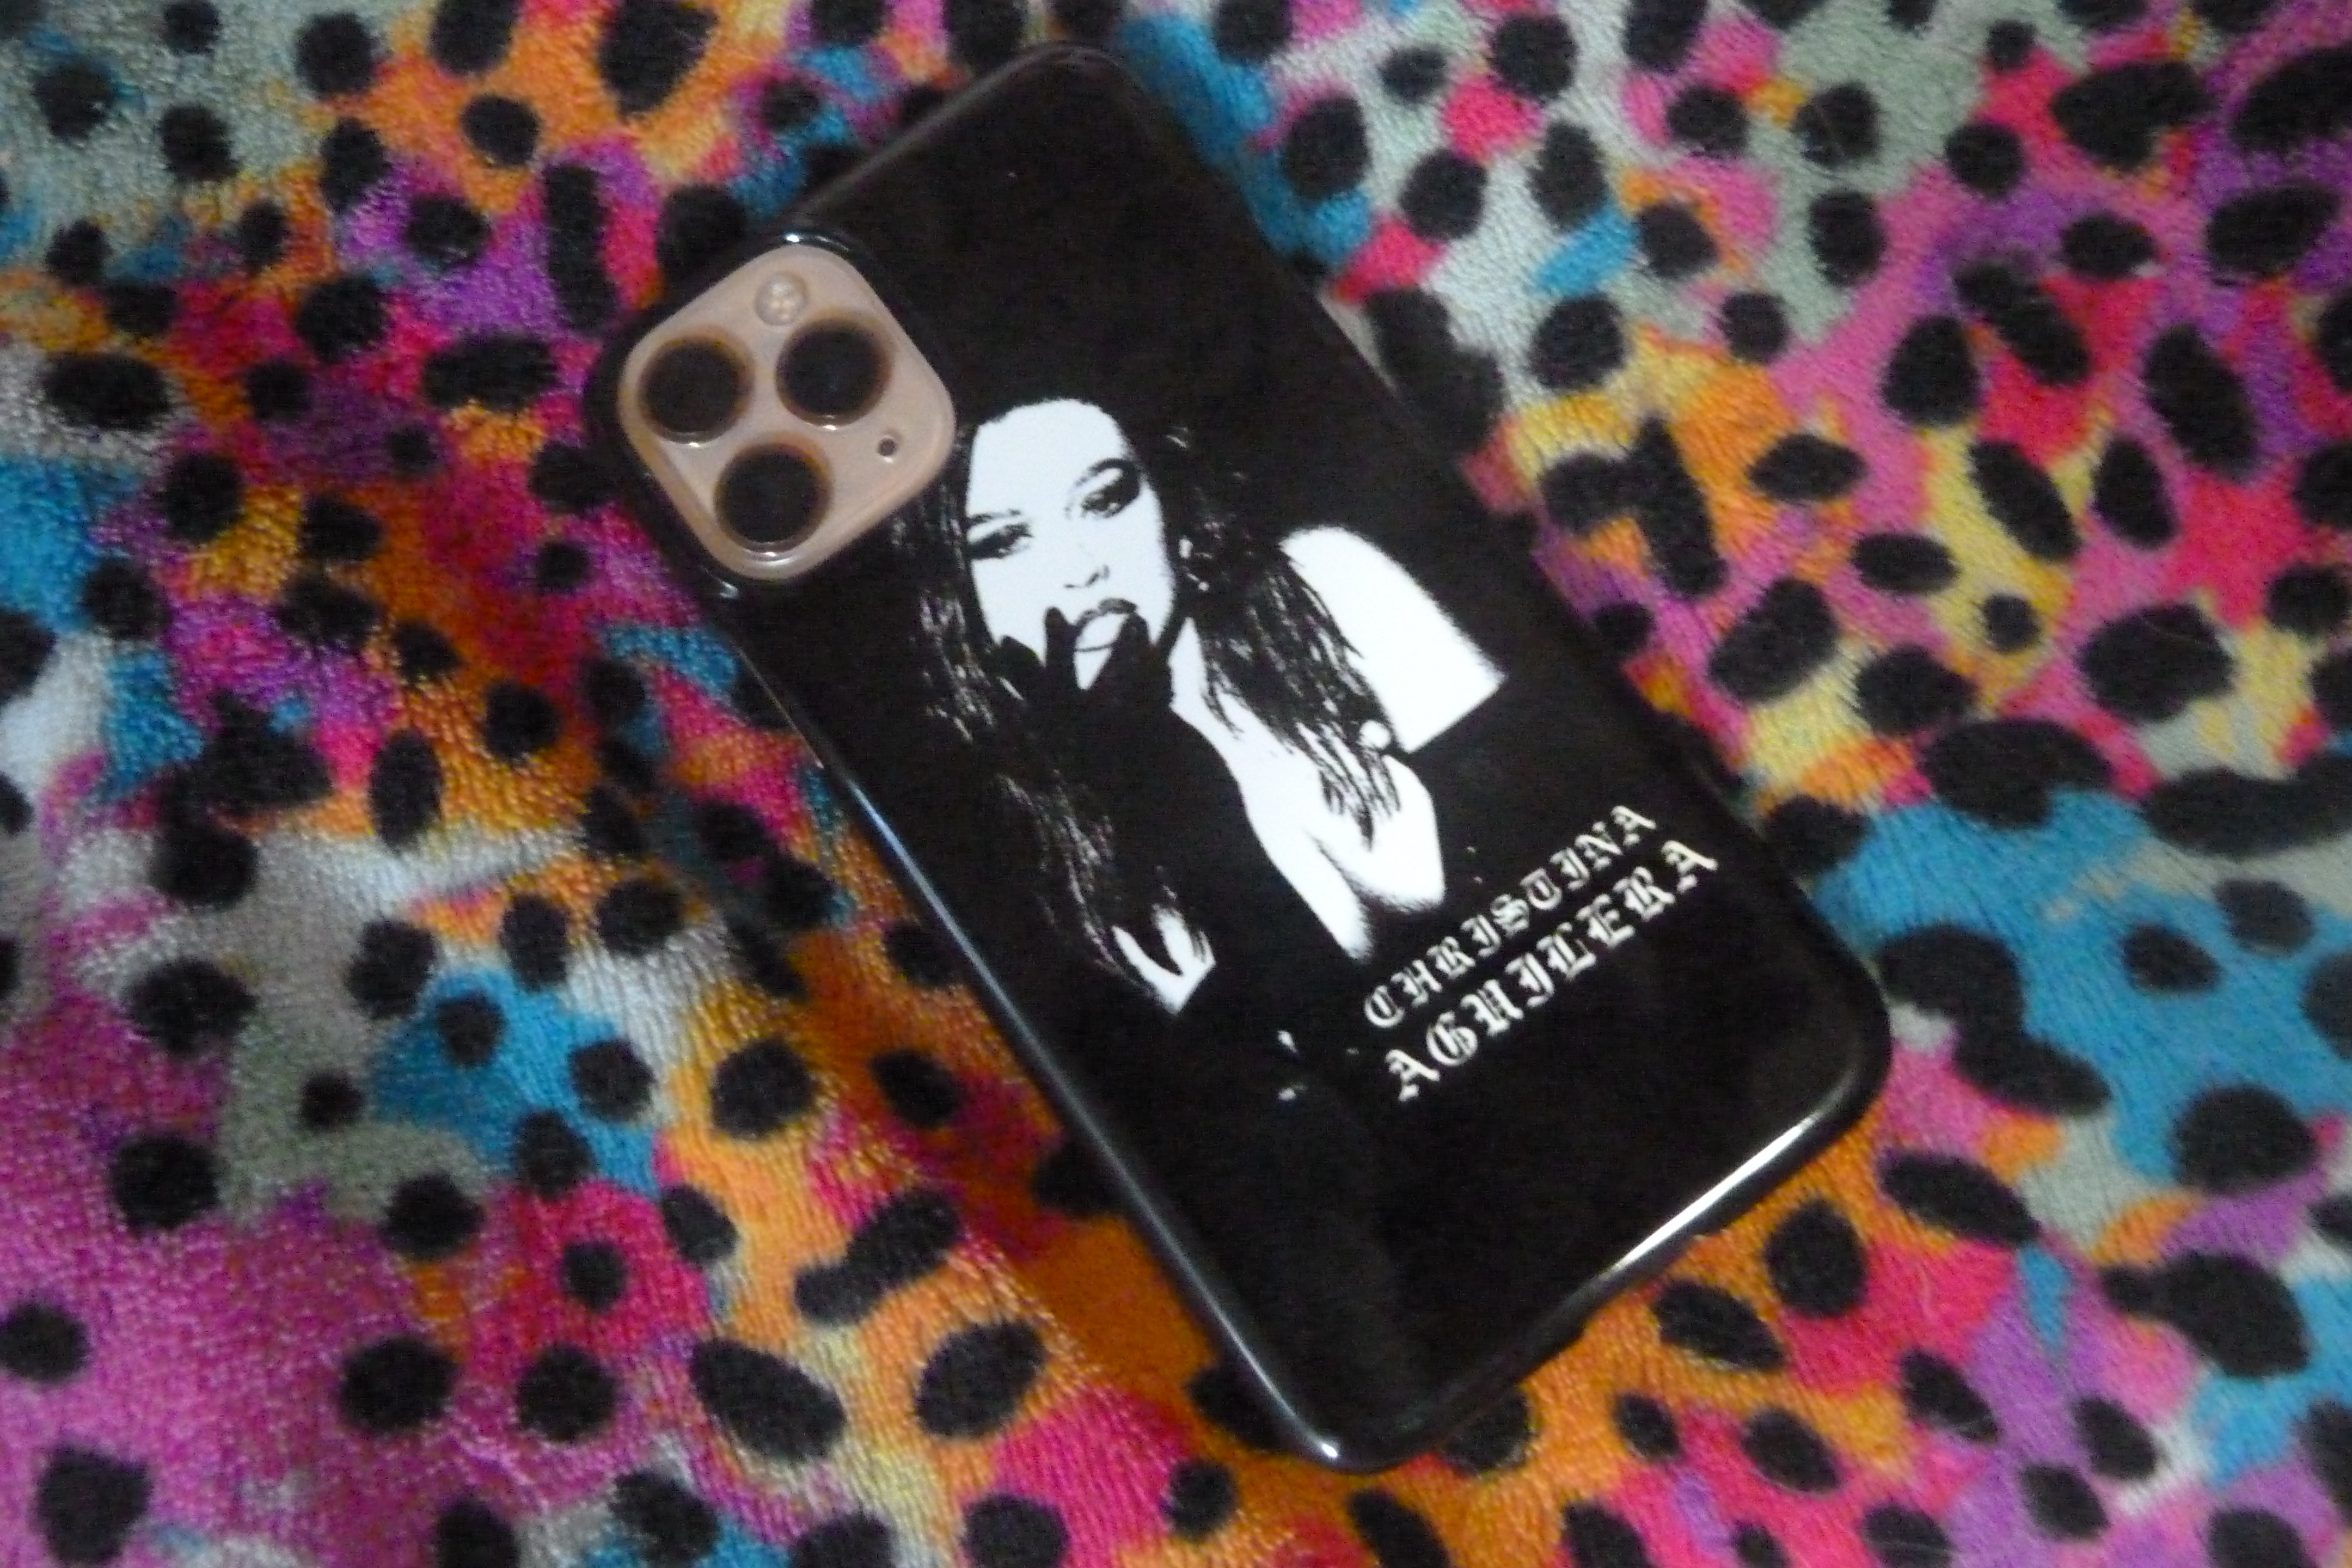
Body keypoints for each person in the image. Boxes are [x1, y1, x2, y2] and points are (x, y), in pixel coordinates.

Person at [898, 395, 1503, 1029]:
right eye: (1005, 541)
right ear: (958, 599)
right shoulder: (1018, 847)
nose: (1080, 567)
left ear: (1173, 510)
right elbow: (1307, 1051)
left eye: (1104, 502)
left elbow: (1546, 807)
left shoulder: (1328, 585)